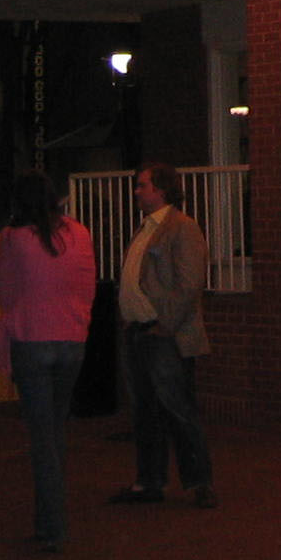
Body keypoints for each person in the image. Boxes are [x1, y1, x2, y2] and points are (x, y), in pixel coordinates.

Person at [0, 171, 97, 552]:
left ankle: (52, 525)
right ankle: (49, 519)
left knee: (42, 436)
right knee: (56, 427)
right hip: (72, 339)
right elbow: (88, 284)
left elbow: (6, 291)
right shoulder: (79, 233)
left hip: (32, 339)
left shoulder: (13, 238)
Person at [108, 162, 215, 509]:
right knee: (144, 411)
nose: (137, 192)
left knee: (177, 408)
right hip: (139, 331)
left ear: (161, 189)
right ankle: (149, 481)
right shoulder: (146, 228)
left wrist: (166, 324)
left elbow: (189, 284)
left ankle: (199, 481)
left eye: (143, 185)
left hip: (161, 333)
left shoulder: (181, 228)